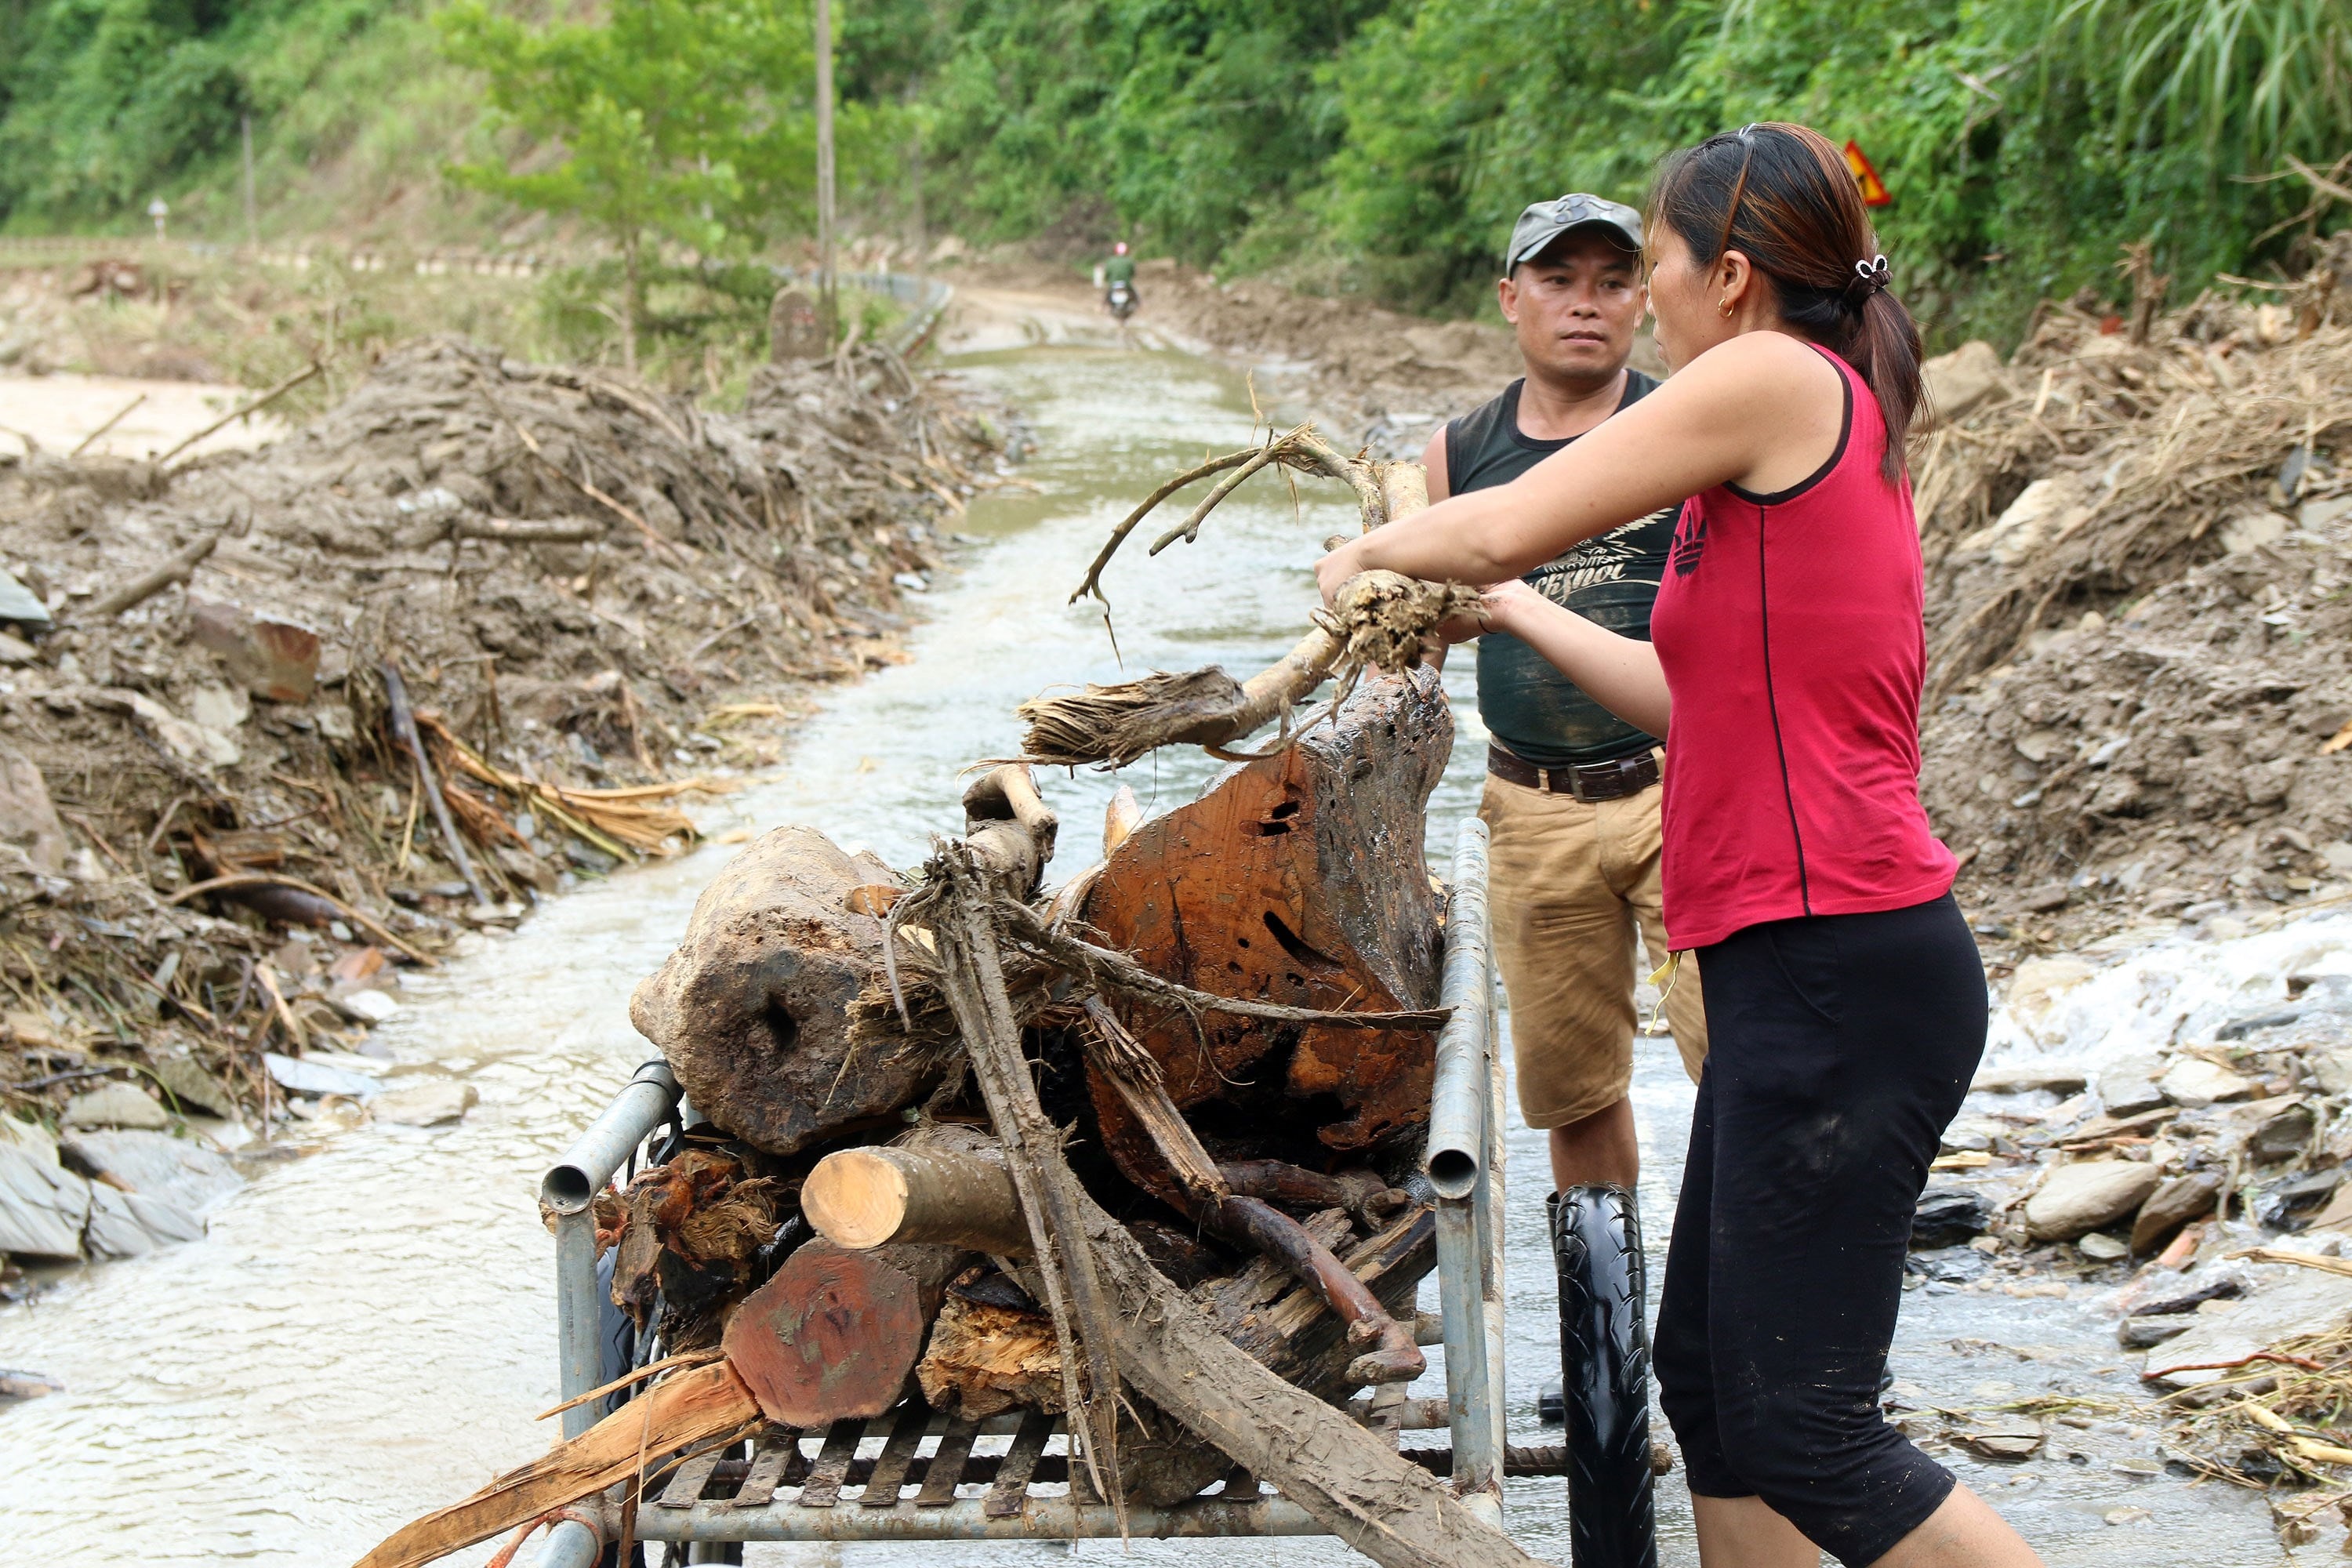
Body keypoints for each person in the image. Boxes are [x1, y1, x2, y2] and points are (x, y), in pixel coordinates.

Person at [1318, 123, 2040, 1568]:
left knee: (1811, 1430)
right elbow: (1686, 696)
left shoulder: (1771, 378)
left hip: (1839, 961)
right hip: (1805, 964)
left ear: (1728, 274)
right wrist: (1517, 613)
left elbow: (1507, 518)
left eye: (1649, 265)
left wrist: (1368, 556)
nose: (1637, 296)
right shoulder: (1783, 434)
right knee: (1713, 1388)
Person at [1425, 191, 1708, 1200]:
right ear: (1512, 297)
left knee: (1740, 1057)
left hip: (1687, 791)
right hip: (1533, 806)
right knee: (1574, 1092)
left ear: (1644, 300)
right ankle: (1607, 1342)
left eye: (1613, 280)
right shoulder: (1459, 453)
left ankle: (1752, 1316)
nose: (1584, 304)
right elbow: (1431, 629)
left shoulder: (1688, 421)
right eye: (1557, 280)